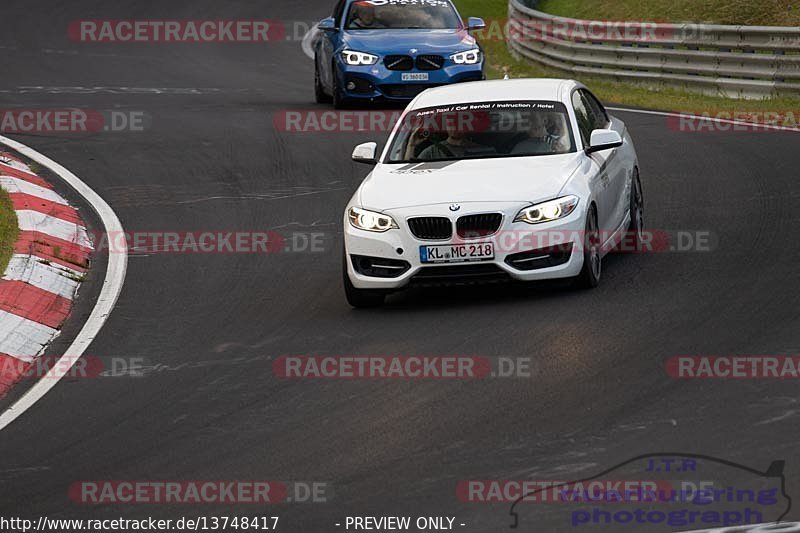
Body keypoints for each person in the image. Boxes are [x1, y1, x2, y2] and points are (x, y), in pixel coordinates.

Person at [405, 120, 490, 160]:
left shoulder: (485, 151)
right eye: (450, 123)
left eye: (458, 123)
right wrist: (411, 146)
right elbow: (409, 171)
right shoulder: (432, 152)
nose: (454, 127)